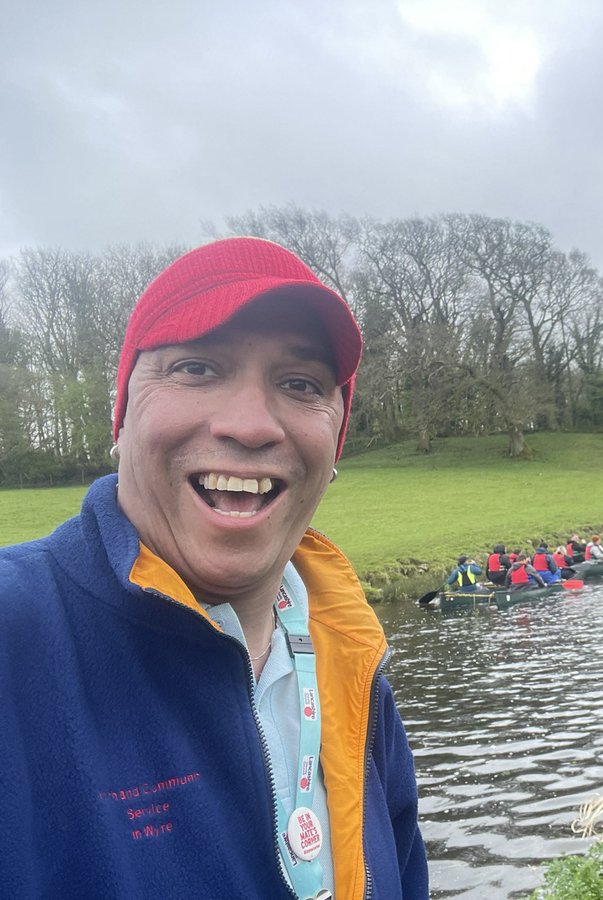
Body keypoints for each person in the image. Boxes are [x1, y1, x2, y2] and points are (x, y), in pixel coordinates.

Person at [0, 237, 427, 898]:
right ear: (121, 419)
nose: (251, 425)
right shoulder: (14, 632)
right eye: (196, 368)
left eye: (300, 384)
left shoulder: (355, 667)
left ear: (334, 446)